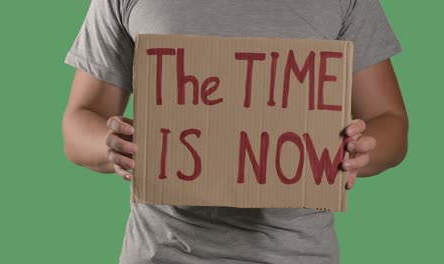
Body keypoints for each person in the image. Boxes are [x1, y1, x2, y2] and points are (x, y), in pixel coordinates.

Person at [62, 0, 408, 263]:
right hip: (161, 252)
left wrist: (362, 149)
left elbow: (389, 120)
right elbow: (80, 122)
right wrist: (110, 145)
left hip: (298, 255)